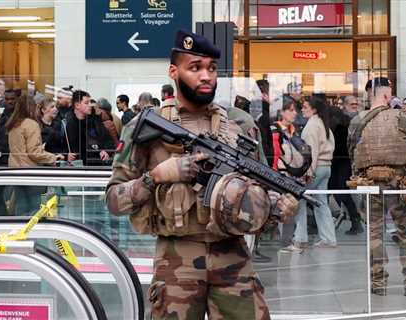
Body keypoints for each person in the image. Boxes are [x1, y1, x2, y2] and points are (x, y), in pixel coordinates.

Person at [106, 30, 298, 320]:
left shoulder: (239, 125)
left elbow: (258, 194)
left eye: (211, 68)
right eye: (195, 67)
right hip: (175, 259)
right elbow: (113, 200)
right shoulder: (147, 128)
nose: (206, 76)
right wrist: (156, 176)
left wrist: (277, 208)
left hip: (232, 254)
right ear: (174, 71)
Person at [348, 77, 406, 296]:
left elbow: (351, 152)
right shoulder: (402, 117)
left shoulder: (357, 120)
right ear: (386, 96)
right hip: (399, 184)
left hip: (368, 185)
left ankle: (377, 283)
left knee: (374, 235)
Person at [6, 95, 63, 215]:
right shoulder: (31, 124)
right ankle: (34, 233)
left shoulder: (13, 124)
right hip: (29, 171)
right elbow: (34, 152)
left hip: (15, 170)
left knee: (20, 206)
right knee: (34, 209)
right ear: (31, 108)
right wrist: (53, 157)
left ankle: (20, 231)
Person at [274, 98, 311, 253]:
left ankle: (287, 241)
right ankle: (285, 242)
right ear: (281, 112)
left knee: (290, 208)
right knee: (283, 207)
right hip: (281, 175)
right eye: (290, 110)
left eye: (295, 110)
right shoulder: (276, 132)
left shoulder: (292, 131)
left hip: (293, 175)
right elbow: (275, 155)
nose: (294, 113)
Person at [301, 96, 337, 247]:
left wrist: (309, 172)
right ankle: (328, 238)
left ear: (313, 109)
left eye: (305, 107)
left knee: (300, 198)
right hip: (326, 166)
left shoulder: (311, 126)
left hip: (316, 167)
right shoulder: (323, 124)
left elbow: (312, 153)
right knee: (321, 203)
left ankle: (300, 237)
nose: (302, 109)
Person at [328, 95, 363, 235]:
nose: (355, 106)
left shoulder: (342, 124)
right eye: (352, 104)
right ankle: (350, 217)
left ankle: (352, 218)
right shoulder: (348, 122)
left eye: (356, 104)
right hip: (342, 161)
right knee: (338, 190)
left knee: (339, 190)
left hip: (341, 161)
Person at [62, 90, 113, 166]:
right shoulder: (67, 123)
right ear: (77, 105)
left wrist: (105, 151)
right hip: (76, 167)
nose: (90, 105)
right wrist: (66, 156)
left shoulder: (95, 121)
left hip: (96, 165)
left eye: (90, 102)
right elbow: (58, 146)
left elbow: (108, 141)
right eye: (86, 103)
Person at [0, 89, 17, 166]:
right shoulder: (2, 115)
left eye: (12, 99)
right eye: (7, 99)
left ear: (17, 99)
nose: (10, 102)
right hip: (1, 155)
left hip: (15, 156)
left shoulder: (20, 116)